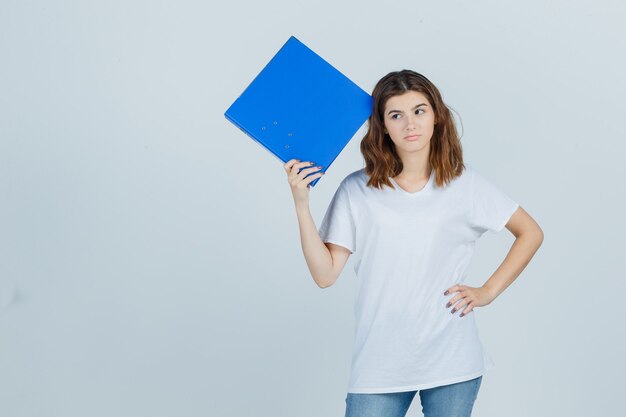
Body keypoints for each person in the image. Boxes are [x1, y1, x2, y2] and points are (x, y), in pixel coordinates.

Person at [283, 69, 544, 417]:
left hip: (451, 359)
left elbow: (530, 232)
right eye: (396, 115)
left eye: (419, 111)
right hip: (380, 362)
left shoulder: (465, 184)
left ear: (436, 117)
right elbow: (325, 275)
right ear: (383, 126)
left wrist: (487, 291)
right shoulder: (356, 190)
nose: (410, 123)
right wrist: (302, 205)